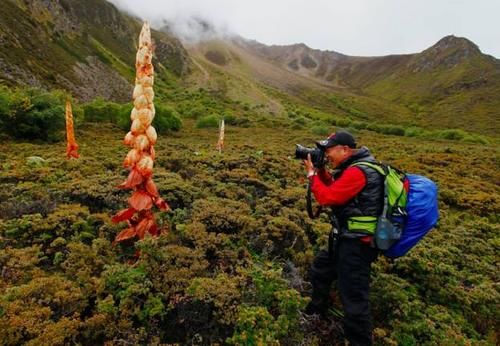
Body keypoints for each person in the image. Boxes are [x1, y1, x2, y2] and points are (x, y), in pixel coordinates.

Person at [303, 130, 381, 346]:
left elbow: (329, 197)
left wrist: (312, 176)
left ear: (345, 149)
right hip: (346, 237)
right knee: (321, 267)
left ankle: (359, 341)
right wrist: (321, 171)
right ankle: (317, 310)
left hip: (357, 244)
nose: (327, 154)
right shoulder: (351, 167)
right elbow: (335, 187)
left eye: (329, 150)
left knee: (354, 297)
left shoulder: (359, 171)